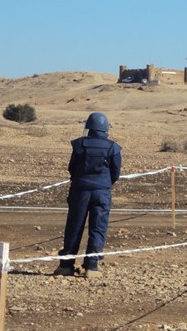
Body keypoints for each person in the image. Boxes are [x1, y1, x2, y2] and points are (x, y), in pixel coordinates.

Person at [54, 112, 122, 278]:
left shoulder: (79, 145)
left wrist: (81, 180)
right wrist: (103, 184)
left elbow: (72, 168)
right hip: (102, 192)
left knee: (74, 227)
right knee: (98, 228)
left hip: (80, 190)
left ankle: (66, 266)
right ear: (106, 129)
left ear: (89, 128)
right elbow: (116, 173)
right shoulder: (113, 148)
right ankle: (91, 267)